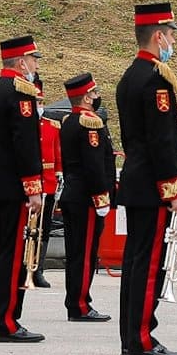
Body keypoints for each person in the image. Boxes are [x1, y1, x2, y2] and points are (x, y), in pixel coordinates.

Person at [117, 1, 177, 355]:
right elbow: (162, 141)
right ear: (158, 36)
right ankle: (141, 340)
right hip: (152, 186)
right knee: (148, 265)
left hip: (136, 182)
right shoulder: (156, 80)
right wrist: (173, 189)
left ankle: (132, 336)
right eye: (171, 34)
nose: (173, 41)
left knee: (134, 261)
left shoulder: (130, 76)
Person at [0, 34, 48, 344]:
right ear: (21, 62)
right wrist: (34, 186)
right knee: (11, 253)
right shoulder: (20, 93)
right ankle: (5, 321)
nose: (35, 66)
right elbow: (25, 144)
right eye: (33, 60)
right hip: (14, 186)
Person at [58, 73, 115, 320]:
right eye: (94, 93)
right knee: (84, 253)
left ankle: (76, 301)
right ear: (86, 97)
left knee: (76, 252)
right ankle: (80, 305)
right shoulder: (89, 123)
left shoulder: (69, 120)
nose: (97, 96)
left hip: (73, 194)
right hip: (87, 198)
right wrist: (101, 198)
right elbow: (94, 165)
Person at [33, 101, 61, 289]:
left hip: (48, 182)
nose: (39, 106)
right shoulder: (26, 125)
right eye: (37, 102)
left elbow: (58, 154)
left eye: (42, 102)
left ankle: (38, 269)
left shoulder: (52, 126)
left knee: (44, 228)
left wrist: (59, 173)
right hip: (31, 183)